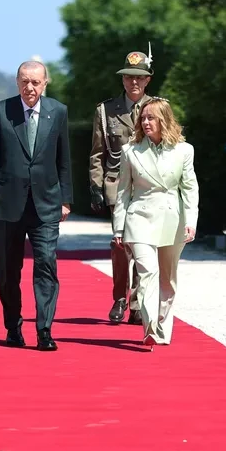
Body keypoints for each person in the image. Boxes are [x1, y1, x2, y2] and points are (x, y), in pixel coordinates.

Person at [0, 60, 72, 351]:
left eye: (35, 82)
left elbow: (64, 158)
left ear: (45, 83)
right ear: (16, 81)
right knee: (8, 270)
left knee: (46, 264)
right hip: (8, 205)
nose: (29, 87)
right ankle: (13, 327)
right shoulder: (0, 110)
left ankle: (44, 331)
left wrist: (66, 199)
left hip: (46, 204)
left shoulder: (57, 111)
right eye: (24, 81)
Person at [111, 98, 198, 347]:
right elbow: (123, 192)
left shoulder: (184, 151)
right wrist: (119, 226)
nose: (146, 122)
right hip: (140, 218)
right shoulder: (130, 151)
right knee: (147, 272)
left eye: (151, 118)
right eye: (143, 118)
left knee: (168, 279)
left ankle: (161, 324)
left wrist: (191, 221)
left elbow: (190, 189)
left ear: (164, 120)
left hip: (173, 218)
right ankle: (149, 327)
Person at [89, 50, 152, 324]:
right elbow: (97, 153)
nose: (133, 83)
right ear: (123, 79)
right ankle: (119, 297)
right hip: (117, 186)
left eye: (139, 78)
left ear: (148, 79)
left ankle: (138, 302)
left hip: (148, 188)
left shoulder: (159, 108)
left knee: (143, 245)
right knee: (120, 245)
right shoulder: (106, 110)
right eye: (128, 77)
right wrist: (95, 185)